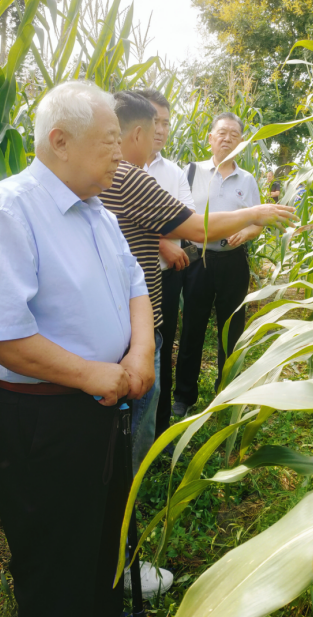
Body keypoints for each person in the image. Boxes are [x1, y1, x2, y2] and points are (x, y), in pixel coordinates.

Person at [0, 81, 155, 617]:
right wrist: (89, 375)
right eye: (109, 139)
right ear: (60, 141)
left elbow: (136, 284)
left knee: (102, 546)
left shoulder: (100, 213)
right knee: (56, 563)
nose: (121, 151)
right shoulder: (8, 211)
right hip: (41, 420)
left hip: (102, 407)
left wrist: (140, 355)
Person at [100, 96, 295, 449]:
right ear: (139, 132)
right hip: (180, 273)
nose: (160, 135)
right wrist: (255, 213)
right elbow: (196, 228)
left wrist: (250, 223)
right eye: (154, 127)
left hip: (156, 294)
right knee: (182, 339)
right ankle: (135, 477)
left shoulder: (100, 174)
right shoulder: (132, 177)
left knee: (229, 329)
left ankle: (222, 395)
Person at [173, 113, 264, 418]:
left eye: (234, 135)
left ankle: (228, 391)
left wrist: (246, 233)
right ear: (209, 138)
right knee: (192, 329)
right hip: (198, 261)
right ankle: (184, 396)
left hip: (233, 262)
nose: (226, 139)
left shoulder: (247, 180)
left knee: (232, 328)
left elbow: (258, 223)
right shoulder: (190, 173)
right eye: (221, 133)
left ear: (241, 142)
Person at [137, 89, 196, 441]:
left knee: (162, 343)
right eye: (155, 121)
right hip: (135, 276)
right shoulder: (119, 168)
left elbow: (186, 216)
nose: (161, 129)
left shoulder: (172, 171)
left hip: (164, 277)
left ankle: (158, 428)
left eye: (166, 123)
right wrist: (163, 242)